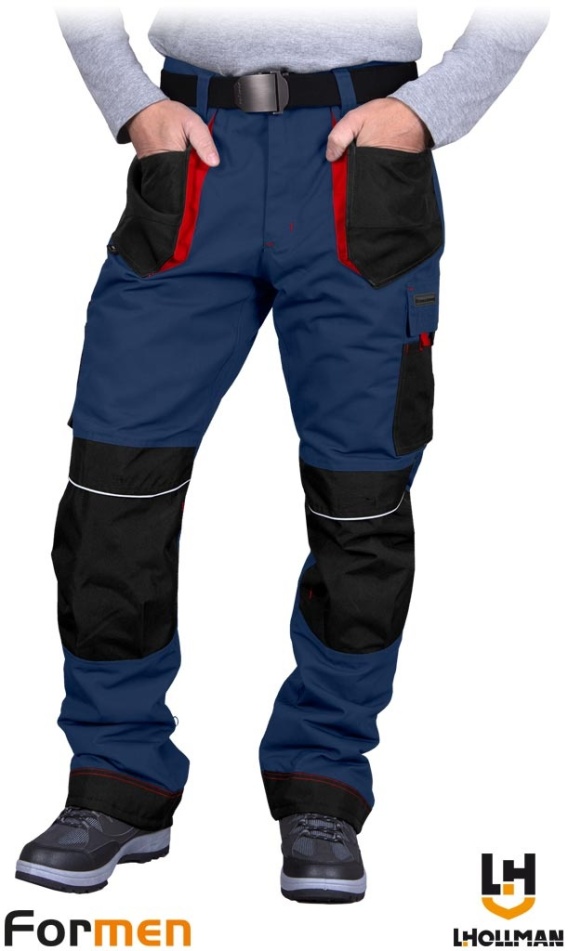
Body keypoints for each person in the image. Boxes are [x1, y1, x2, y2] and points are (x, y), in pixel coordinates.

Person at [15, 5, 548, 902]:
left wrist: (427, 112)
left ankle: (323, 783)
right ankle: (117, 778)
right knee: (113, 485)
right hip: (192, 160)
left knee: (362, 497)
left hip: (360, 166)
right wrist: (131, 104)